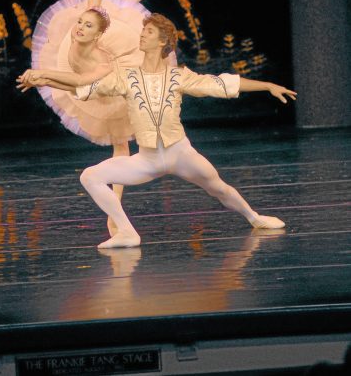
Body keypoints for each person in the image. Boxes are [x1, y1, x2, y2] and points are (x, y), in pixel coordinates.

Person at [18, 13, 297, 249]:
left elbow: (223, 84)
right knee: (90, 176)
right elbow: (84, 89)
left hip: (180, 153)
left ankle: (254, 217)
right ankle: (127, 233)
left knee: (219, 189)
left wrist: (268, 86)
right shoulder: (127, 77)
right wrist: (43, 78)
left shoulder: (178, 76)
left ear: (162, 41)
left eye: (148, 32)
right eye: (143, 30)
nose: (142, 35)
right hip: (148, 159)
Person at [20, 0, 176, 235]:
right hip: (95, 68)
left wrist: (43, 75)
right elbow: (93, 3)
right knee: (126, 1)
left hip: (113, 75)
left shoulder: (98, 60)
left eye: (86, 25)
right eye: (79, 22)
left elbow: (79, 81)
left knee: (120, 144)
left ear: (97, 34)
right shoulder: (83, 28)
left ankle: (114, 210)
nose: (78, 27)